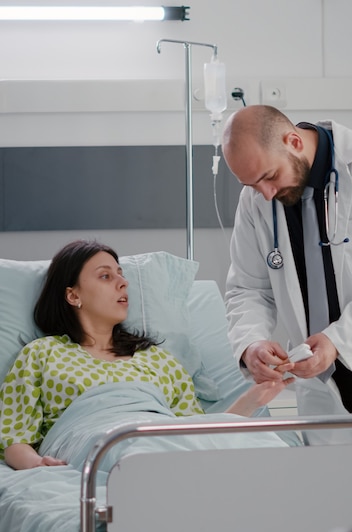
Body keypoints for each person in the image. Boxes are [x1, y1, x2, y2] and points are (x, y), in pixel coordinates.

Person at [0, 239, 292, 470]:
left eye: (121, 274)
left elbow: (198, 436)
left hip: (161, 441)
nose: (122, 282)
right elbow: (13, 438)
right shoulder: (42, 354)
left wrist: (253, 399)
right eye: (105, 276)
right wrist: (37, 464)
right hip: (102, 443)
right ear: (73, 295)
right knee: (140, 453)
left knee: (263, 445)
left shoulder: (157, 359)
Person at [222, 104, 352, 421]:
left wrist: (337, 341)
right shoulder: (257, 197)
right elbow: (248, 288)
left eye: (270, 177)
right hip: (319, 386)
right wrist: (251, 344)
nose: (265, 194)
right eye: (252, 185)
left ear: (293, 142)